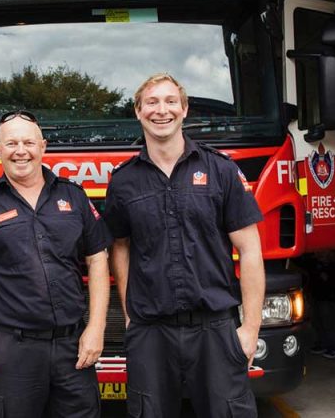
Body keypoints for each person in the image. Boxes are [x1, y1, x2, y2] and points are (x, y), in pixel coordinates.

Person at [105, 73, 265, 417]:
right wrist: (130, 314)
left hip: (215, 328)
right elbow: (119, 246)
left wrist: (250, 327)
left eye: (169, 102)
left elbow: (250, 249)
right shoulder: (123, 182)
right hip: (151, 331)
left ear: (184, 109)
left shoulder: (221, 170)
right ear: (138, 111)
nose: (161, 111)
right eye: (151, 102)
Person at [0, 110, 111, 418]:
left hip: (72, 347)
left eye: (28, 142)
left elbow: (98, 260)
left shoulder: (73, 196)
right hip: (13, 349)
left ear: (43, 147)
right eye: (11, 144)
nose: (20, 151)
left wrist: (96, 329)